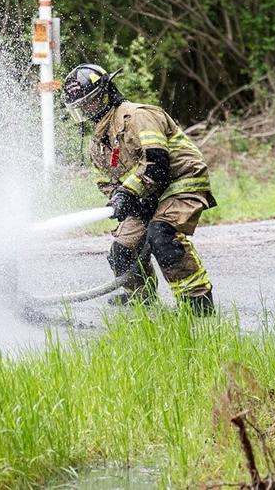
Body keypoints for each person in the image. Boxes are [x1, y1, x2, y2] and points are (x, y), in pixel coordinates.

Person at [62, 64, 216, 315]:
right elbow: (105, 181)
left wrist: (128, 194)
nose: (88, 110)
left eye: (91, 102)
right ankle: (142, 301)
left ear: (107, 93)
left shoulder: (136, 116)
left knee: (161, 235)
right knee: (122, 251)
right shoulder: (97, 143)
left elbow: (157, 165)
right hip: (145, 196)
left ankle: (197, 303)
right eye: (82, 107)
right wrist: (118, 198)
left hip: (179, 183)